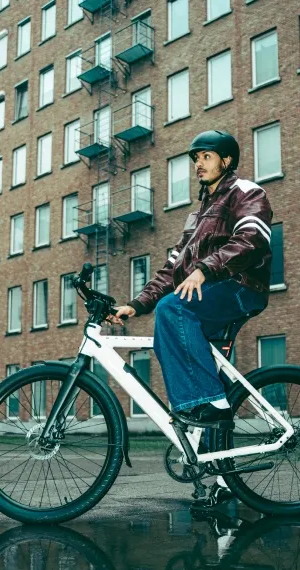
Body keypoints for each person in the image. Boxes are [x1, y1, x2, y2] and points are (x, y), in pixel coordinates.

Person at [109, 130, 273, 510]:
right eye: (195, 157)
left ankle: (207, 404)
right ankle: (218, 474)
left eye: (206, 156)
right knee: (171, 332)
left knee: (174, 310)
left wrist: (205, 269)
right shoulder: (197, 216)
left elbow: (253, 239)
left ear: (226, 161)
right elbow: (171, 269)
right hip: (209, 288)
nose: (198, 163)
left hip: (239, 285)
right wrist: (136, 304)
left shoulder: (246, 192)